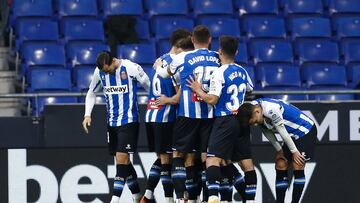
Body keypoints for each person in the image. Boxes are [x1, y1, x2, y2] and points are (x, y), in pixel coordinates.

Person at [156, 25, 220, 203]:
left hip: (187, 114)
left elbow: (163, 74)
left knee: (179, 155)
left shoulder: (182, 57)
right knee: (207, 158)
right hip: (209, 114)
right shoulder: (217, 57)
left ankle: (179, 199)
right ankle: (207, 198)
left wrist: (159, 66)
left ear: (192, 40)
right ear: (209, 40)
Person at [186, 36, 253, 203]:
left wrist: (198, 90)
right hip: (242, 120)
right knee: (246, 164)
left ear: (220, 52)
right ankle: (250, 200)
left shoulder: (219, 72)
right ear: (236, 52)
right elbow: (250, 90)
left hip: (225, 119)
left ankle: (214, 196)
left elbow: (212, 99)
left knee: (212, 160)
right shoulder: (243, 71)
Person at [82, 51, 150, 203]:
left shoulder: (131, 68)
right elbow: (91, 92)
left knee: (121, 158)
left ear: (113, 61)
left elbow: (149, 85)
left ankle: (115, 199)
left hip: (129, 121)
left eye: (108, 70)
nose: (107, 73)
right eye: (104, 72)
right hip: (112, 123)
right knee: (124, 161)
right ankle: (138, 196)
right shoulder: (99, 72)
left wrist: (155, 105)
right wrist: (87, 114)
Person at [141, 29, 192, 203]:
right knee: (171, 159)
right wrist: (169, 100)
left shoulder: (160, 60)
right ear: (179, 46)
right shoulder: (175, 65)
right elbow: (178, 97)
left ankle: (148, 196)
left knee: (163, 158)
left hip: (151, 115)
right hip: (166, 116)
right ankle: (173, 199)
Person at [237, 98, 317, 203]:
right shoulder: (252, 108)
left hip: (304, 130)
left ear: (257, 111)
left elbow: (282, 131)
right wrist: (279, 149)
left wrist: (294, 151)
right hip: (291, 135)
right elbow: (266, 130)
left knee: (298, 163)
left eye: (255, 122)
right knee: (281, 163)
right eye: (252, 124)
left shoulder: (271, 109)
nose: (255, 125)